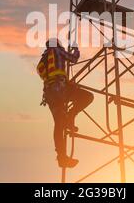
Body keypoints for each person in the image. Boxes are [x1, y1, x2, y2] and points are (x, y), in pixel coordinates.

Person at [37, 38, 94, 168]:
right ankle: (70, 116)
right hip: (60, 89)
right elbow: (74, 59)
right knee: (87, 97)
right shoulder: (57, 50)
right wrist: (76, 49)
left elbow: (46, 73)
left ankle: (62, 157)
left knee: (58, 124)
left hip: (50, 93)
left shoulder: (43, 60)